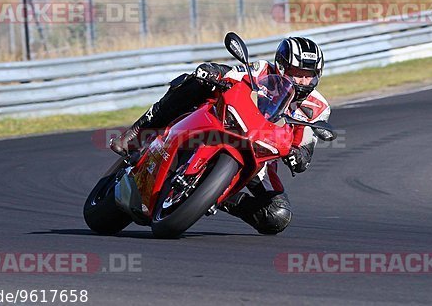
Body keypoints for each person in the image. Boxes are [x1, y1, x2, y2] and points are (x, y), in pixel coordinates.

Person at [109, 36, 330, 235]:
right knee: (194, 81)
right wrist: (214, 71)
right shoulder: (263, 70)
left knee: (277, 215)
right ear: (281, 67)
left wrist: (298, 156)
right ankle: (137, 134)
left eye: (307, 76)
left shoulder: (318, 107)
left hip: (260, 152)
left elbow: (306, 147)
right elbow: (234, 74)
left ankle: (215, 197)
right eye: (296, 74)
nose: (302, 81)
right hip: (226, 120)